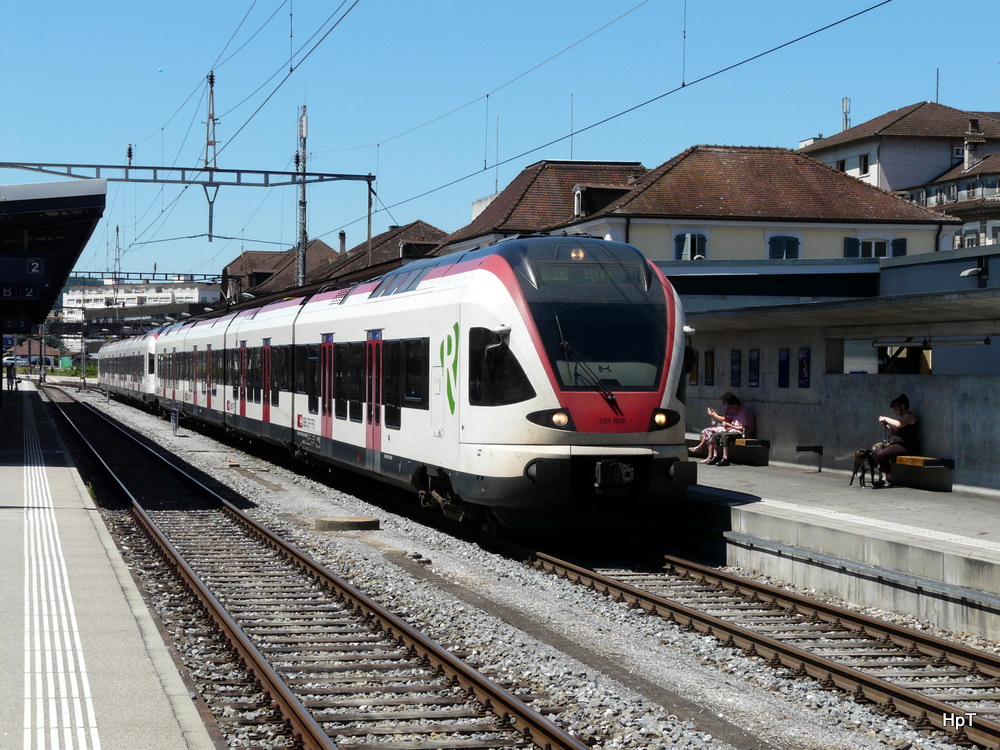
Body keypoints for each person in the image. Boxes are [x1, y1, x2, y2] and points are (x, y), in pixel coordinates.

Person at [874, 393, 918, 487]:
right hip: (898, 445)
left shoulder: (910, 417)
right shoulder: (903, 418)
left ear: (903, 406)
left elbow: (898, 424)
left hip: (907, 446)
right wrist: (885, 425)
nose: (895, 411)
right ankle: (883, 477)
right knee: (876, 452)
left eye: (896, 409)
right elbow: (894, 432)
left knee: (882, 454)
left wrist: (885, 418)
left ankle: (890, 478)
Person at [706, 392, 754, 466]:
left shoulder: (744, 412)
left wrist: (730, 426)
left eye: (731, 407)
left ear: (735, 405)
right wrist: (727, 426)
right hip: (733, 430)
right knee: (716, 435)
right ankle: (715, 456)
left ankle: (725, 458)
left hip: (742, 433)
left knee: (725, 436)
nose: (731, 409)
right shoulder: (735, 411)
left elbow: (743, 427)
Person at [690, 392, 739, 463]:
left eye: (724, 400)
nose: (723, 402)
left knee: (708, 431)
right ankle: (707, 454)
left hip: (729, 428)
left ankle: (703, 450)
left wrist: (714, 415)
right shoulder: (729, 408)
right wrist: (715, 414)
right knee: (708, 433)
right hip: (726, 427)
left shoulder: (731, 409)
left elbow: (725, 419)